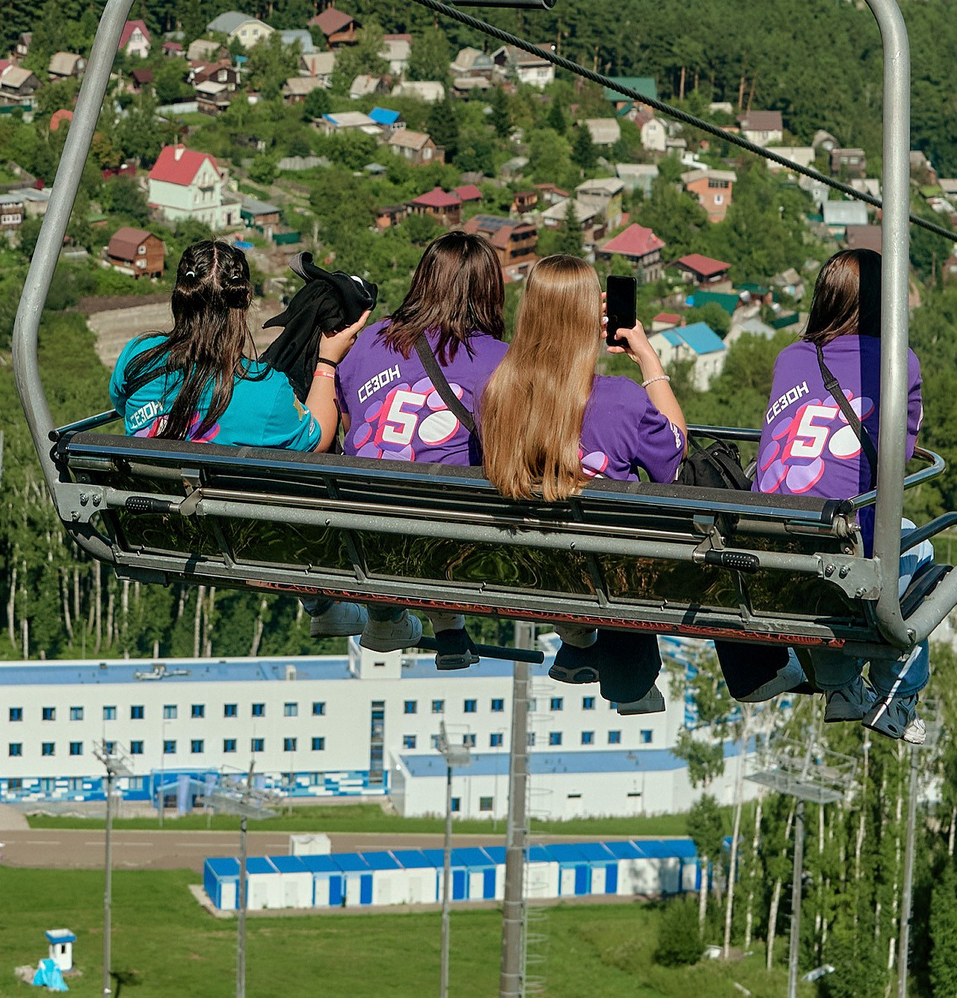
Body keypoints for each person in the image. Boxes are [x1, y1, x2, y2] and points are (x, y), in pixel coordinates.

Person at [723, 247, 932, 740]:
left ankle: (840, 687)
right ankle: (896, 697)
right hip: (835, 549)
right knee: (916, 545)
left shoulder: (789, 358)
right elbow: (893, 464)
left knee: (817, 543)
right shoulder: (898, 363)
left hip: (767, 544)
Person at [475, 254, 684, 709]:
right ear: (592, 320)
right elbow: (673, 456)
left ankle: (577, 639)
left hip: (532, 563)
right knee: (621, 541)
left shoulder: (495, 394)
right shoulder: (620, 401)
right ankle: (628, 675)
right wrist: (647, 358)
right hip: (608, 570)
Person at [328, 232, 509, 662]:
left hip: (362, 515)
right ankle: (446, 620)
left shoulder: (372, 340)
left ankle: (390, 616)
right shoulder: (502, 360)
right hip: (443, 526)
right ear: (489, 292)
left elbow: (349, 426)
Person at [109, 240, 363, 449]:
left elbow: (122, 405)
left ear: (180, 295)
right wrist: (328, 360)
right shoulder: (266, 390)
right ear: (245, 299)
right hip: (218, 508)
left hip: (144, 502)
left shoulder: (136, 356)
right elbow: (316, 439)